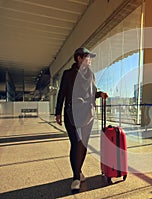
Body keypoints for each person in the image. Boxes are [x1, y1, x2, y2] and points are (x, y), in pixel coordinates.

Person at [55, 47, 108, 191]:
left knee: (83, 144)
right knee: (76, 143)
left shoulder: (91, 74)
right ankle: (76, 178)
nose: (90, 60)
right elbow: (62, 93)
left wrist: (100, 94)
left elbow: (93, 93)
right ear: (79, 58)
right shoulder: (68, 74)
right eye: (88, 57)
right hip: (72, 113)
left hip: (88, 114)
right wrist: (58, 112)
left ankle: (78, 170)